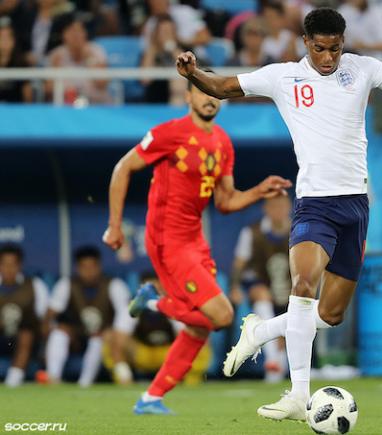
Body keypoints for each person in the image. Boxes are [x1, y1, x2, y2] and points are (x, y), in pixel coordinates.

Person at [175, 6, 382, 421]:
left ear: (343, 44)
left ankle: (260, 331)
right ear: (306, 44)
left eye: (335, 48)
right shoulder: (283, 76)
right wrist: (191, 73)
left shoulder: (363, 68)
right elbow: (222, 86)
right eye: (320, 49)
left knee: (329, 316)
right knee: (303, 284)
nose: (328, 57)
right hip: (315, 203)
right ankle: (298, 395)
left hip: (355, 205)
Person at [102, 73, 291, 415]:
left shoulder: (222, 142)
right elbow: (121, 169)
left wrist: (258, 192)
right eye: (201, 91)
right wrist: (114, 226)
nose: (209, 98)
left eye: (214, 93)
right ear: (188, 97)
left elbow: (226, 202)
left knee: (199, 325)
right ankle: (153, 303)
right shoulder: (169, 133)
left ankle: (151, 398)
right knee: (221, 314)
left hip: (194, 241)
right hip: (166, 240)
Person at [43, 246, 135, 386]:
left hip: (104, 338)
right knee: (59, 334)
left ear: (99, 266)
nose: (89, 271)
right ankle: (53, 377)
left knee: (98, 340)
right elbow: (49, 316)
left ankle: (85, 383)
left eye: (92, 267)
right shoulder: (66, 284)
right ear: (77, 268)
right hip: (77, 338)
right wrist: (56, 329)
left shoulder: (114, 285)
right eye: (84, 267)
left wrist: (110, 332)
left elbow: (125, 317)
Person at [230, 195, 292, 382]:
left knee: (298, 309)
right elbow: (239, 264)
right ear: (266, 208)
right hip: (263, 285)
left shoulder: (299, 230)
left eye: (282, 206)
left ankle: (279, 368)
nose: (278, 211)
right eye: (274, 206)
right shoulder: (252, 232)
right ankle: (273, 360)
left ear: (289, 207)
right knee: (261, 294)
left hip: (292, 289)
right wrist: (234, 287)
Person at [0, 244, 49, 387]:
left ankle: (13, 381)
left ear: (20, 265)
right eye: (4, 264)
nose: (9, 269)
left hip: (26, 339)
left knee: (26, 334)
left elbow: (44, 320)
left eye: (13, 265)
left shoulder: (35, 285)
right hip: (2, 337)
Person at [47, 14, 110, 104]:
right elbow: (49, 90)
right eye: (72, 31)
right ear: (64, 34)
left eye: (80, 31)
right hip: (66, 106)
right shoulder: (56, 55)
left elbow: (102, 84)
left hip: (96, 104)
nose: (76, 35)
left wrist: (89, 59)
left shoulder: (96, 51)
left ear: (85, 33)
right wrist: (56, 68)